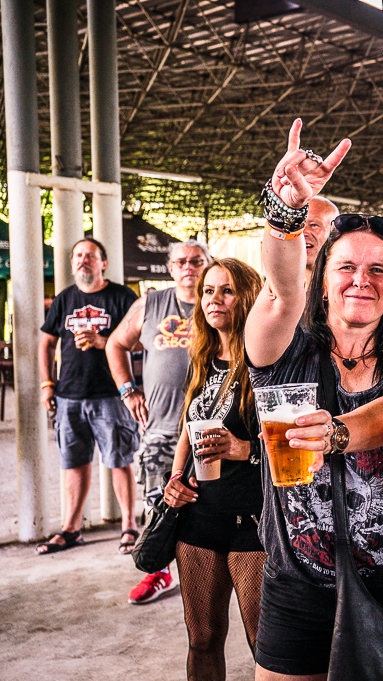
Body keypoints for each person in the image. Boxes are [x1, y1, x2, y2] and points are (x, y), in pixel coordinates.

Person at [245, 120, 383, 680]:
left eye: (378, 269)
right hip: (297, 587)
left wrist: (347, 434)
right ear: (323, 278)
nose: (362, 279)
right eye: (347, 267)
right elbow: (281, 288)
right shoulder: (285, 353)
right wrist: (287, 210)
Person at [162, 258, 265, 679]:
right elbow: (187, 429)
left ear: (248, 297)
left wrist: (243, 449)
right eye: (208, 291)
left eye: (226, 290)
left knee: (265, 644)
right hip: (198, 517)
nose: (214, 299)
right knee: (202, 639)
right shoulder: (203, 356)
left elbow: (291, 441)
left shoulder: (267, 360)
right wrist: (174, 479)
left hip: (253, 520)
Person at [107, 239, 210, 603]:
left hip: (211, 428)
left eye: (196, 260)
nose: (188, 267)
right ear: (170, 269)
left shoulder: (221, 301)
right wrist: (128, 391)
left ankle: (206, 576)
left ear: (208, 264)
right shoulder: (150, 304)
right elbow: (115, 344)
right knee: (158, 505)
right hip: (162, 427)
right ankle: (159, 573)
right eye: (181, 261)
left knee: (209, 506)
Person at [37, 238, 140, 555]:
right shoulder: (64, 299)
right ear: (72, 263)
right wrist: (47, 384)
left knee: (120, 461)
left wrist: (102, 341)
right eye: (78, 255)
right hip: (69, 395)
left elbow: (140, 342)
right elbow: (46, 343)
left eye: (91, 256)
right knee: (73, 463)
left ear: (103, 263)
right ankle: (71, 529)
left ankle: (129, 526)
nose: (84, 260)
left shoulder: (122, 297)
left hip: (111, 394)